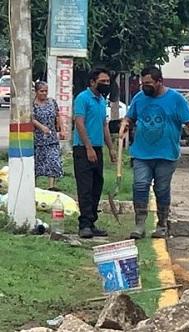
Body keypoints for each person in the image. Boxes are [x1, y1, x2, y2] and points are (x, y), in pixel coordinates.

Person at [122, 66, 189, 240]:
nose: (144, 87)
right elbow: (130, 117)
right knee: (140, 186)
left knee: (162, 189)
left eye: (148, 83)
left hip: (166, 154)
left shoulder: (176, 99)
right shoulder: (139, 98)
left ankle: (162, 224)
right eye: (143, 83)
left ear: (159, 82)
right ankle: (139, 224)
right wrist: (125, 123)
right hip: (142, 153)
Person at [72, 67, 116, 238]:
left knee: (96, 186)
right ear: (92, 82)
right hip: (83, 148)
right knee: (85, 187)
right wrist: (88, 147)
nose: (106, 84)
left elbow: (104, 125)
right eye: (102, 81)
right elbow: (80, 123)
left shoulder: (101, 100)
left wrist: (111, 148)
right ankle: (84, 225)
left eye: (107, 82)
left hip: (97, 148)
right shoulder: (83, 98)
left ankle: (91, 222)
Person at [32, 81, 63, 189]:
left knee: (54, 160)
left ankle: (51, 187)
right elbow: (31, 119)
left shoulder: (52, 102)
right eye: (42, 91)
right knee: (37, 163)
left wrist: (61, 129)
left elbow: (58, 115)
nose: (44, 93)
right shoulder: (32, 105)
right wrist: (41, 127)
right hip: (38, 138)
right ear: (36, 92)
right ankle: (34, 187)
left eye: (46, 91)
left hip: (52, 137)